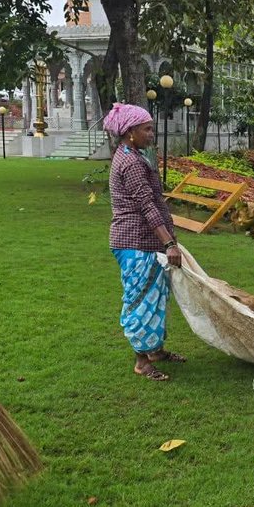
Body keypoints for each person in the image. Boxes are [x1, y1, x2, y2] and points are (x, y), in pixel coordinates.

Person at [104, 102, 185, 381]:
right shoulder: (130, 162)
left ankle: (156, 351)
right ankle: (141, 361)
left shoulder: (133, 155)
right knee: (140, 300)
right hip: (135, 241)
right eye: (147, 129)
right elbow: (147, 205)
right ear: (130, 132)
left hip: (146, 241)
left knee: (156, 297)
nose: (152, 134)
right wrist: (170, 244)